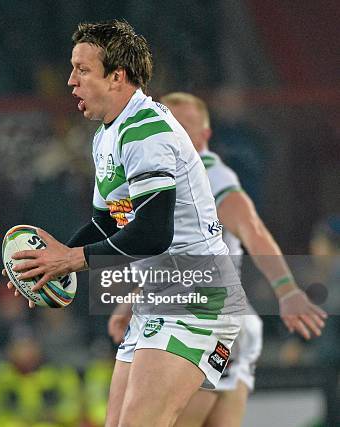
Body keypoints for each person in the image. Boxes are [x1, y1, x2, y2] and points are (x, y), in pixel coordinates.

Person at [6, 19, 246, 426]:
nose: (70, 81)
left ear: (117, 77)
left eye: (82, 69)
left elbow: (153, 232)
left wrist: (71, 260)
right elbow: (107, 225)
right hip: (159, 295)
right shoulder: (107, 135)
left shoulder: (146, 131)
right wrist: (51, 262)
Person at [107, 92, 326, 427]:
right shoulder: (161, 174)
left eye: (184, 126)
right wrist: (134, 300)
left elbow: (252, 229)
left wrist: (286, 289)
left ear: (205, 137)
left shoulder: (210, 174)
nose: (174, 132)